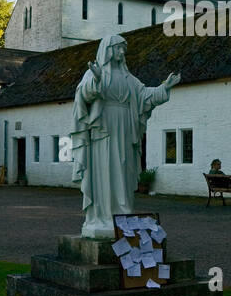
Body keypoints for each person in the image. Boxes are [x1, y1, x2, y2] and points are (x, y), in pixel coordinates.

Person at [71, 35, 181, 238]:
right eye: (119, 48)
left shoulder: (129, 78)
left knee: (123, 170)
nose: (122, 53)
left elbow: (144, 96)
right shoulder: (94, 73)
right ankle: (102, 217)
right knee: (104, 173)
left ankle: (122, 216)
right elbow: (83, 96)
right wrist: (95, 79)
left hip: (125, 131)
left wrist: (164, 88)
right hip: (102, 131)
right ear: (108, 50)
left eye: (124, 49)